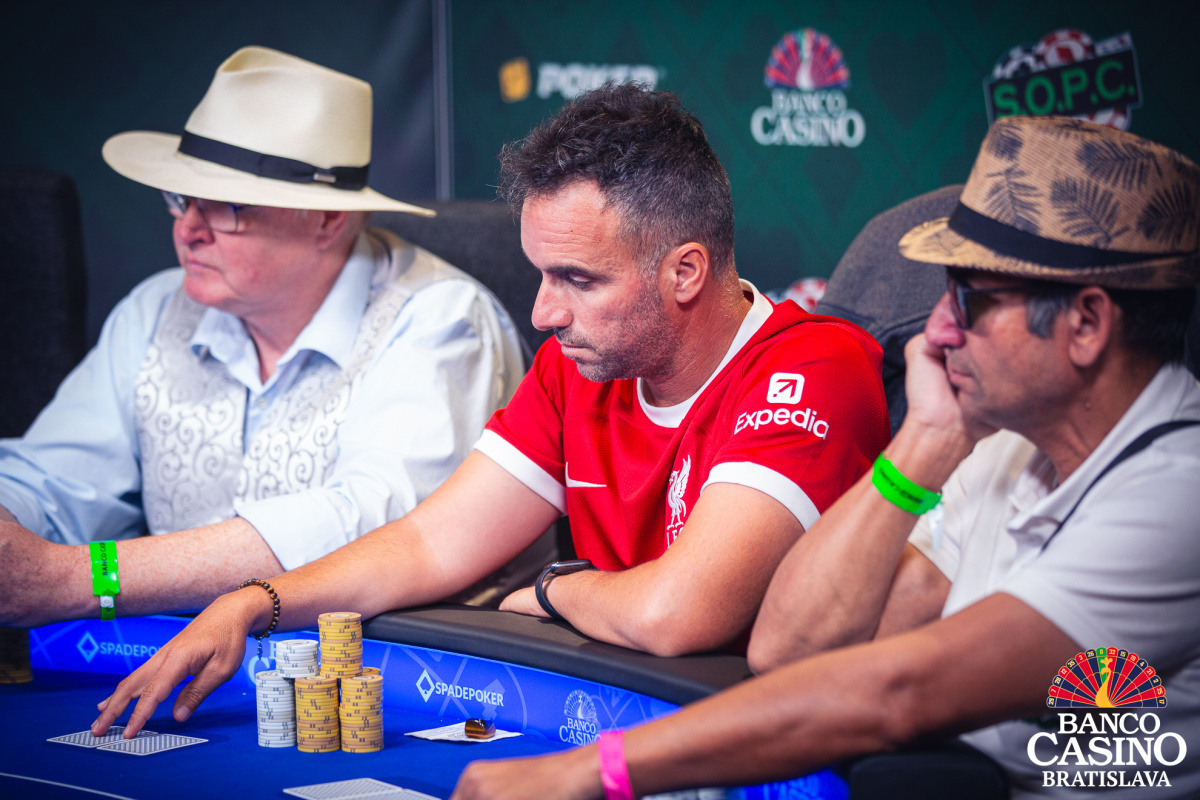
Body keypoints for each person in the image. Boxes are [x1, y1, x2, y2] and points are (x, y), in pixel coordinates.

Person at [90, 83, 890, 737]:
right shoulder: (576, 367)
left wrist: (557, 588)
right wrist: (253, 601)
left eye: (578, 280)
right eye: (541, 274)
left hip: (768, 749)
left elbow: (678, 614)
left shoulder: (812, 365)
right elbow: (428, 543)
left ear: (685, 272)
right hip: (628, 727)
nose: (543, 313)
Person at [449, 116, 1200, 799]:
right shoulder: (1003, 448)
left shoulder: (1177, 496)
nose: (936, 330)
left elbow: (895, 691)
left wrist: (592, 770)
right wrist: (926, 442)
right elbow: (792, 646)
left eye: (971, 300)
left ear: (1087, 324)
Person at [0, 47, 525, 628]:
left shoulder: (441, 319)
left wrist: (80, 579)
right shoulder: (154, 310)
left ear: (326, 220)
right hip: (178, 663)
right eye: (181, 199)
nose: (188, 230)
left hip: (397, 672)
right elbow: (51, 480)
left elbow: (371, 532)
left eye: (227, 207)